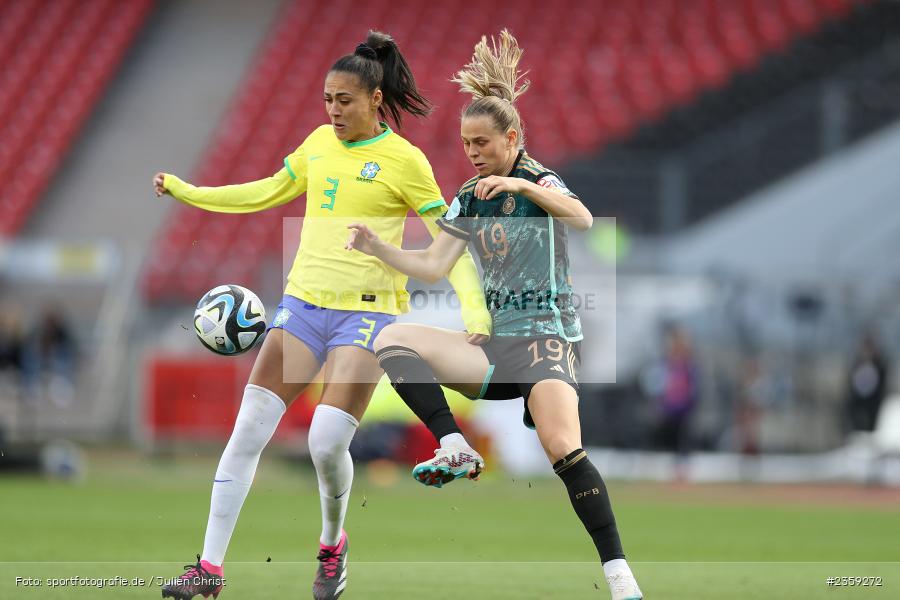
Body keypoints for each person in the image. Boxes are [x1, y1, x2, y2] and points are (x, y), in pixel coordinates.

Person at [152, 31, 490, 600]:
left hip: (367, 316)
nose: (333, 111)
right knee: (248, 431)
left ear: (376, 99)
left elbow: (446, 243)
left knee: (326, 442)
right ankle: (207, 570)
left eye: (345, 100)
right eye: (327, 99)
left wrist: (474, 308)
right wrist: (189, 191)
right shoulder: (317, 144)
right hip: (303, 306)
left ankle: (332, 544)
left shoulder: (405, 161)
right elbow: (265, 191)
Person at [346, 30, 642, 600]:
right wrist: (378, 249)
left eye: (484, 142)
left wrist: (519, 184)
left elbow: (581, 219)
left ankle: (619, 575)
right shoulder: (468, 196)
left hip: (546, 341)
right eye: (466, 143)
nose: (474, 153)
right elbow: (434, 264)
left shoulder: (537, 179)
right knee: (394, 338)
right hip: (495, 346)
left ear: (512, 137)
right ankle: (453, 444)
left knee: (561, 448)